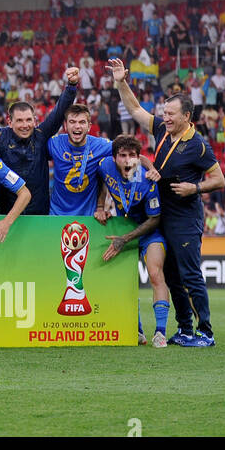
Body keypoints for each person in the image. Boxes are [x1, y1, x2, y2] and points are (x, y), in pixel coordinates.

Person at [110, 59, 225, 347]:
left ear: (187, 115)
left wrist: (194, 188)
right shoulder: (162, 130)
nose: (166, 117)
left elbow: (219, 179)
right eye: (164, 113)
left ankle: (206, 333)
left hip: (186, 219)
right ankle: (184, 329)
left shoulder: (198, 145)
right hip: (164, 216)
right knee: (173, 276)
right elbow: (135, 110)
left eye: (172, 114)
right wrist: (121, 82)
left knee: (189, 275)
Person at [0, 67, 79, 215]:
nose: (25, 125)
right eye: (19, 120)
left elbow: (59, 112)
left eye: (28, 120)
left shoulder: (40, 134)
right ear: (9, 121)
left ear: (34, 120)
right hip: (7, 215)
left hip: (39, 215)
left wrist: (71, 86)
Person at [97, 135, 169, 347]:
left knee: (155, 273)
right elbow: (101, 182)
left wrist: (126, 239)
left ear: (138, 157)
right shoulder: (105, 166)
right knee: (126, 281)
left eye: (132, 156)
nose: (127, 160)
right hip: (123, 229)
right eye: (122, 156)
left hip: (147, 231)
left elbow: (155, 219)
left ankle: (160, 332)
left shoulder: (148, 180)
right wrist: (101, 206)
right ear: (115, 158)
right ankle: (136, 330)